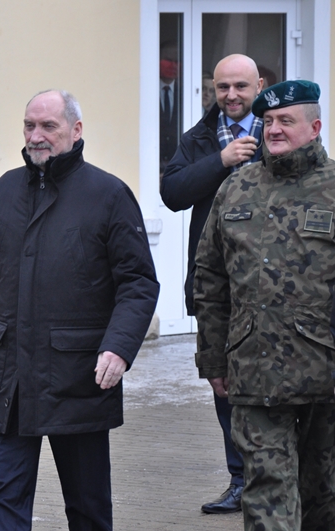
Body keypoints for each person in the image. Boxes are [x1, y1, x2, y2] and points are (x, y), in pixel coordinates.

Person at [0, 89, 159, 530]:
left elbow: (139, 283)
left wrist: (119, 348)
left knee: (87, 509)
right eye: (29, 126)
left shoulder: (108, 194)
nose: (36, 136)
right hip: (10, 378)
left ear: (76, 130)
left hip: (79, 377)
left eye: (48, 126)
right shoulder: (4, 189)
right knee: (3, 505)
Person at [194, 79, 335, 530]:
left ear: (314, 127)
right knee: (266, 492)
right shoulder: (236, 188)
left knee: (324, 496)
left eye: (286, 121)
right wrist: (213, 357)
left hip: (326, 372)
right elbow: (210, 278)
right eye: (268, 120)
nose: (274, 129)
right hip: (254, 371)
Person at [160, 53, 264, 514]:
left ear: (259, 85)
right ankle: (240, 480)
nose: (231, 96)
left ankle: (283, 479)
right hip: (217, 291)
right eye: (223, 87)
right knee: (224, 385)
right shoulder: (200, 139)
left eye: (241, 86)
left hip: (277, 289)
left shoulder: (276, 131)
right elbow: (173, 193)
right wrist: (221, 160)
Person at [160, 39, 182, 173]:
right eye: (168, 60)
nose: (173, 66)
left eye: (177, 61)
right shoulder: (148, 93)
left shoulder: (185, 94)